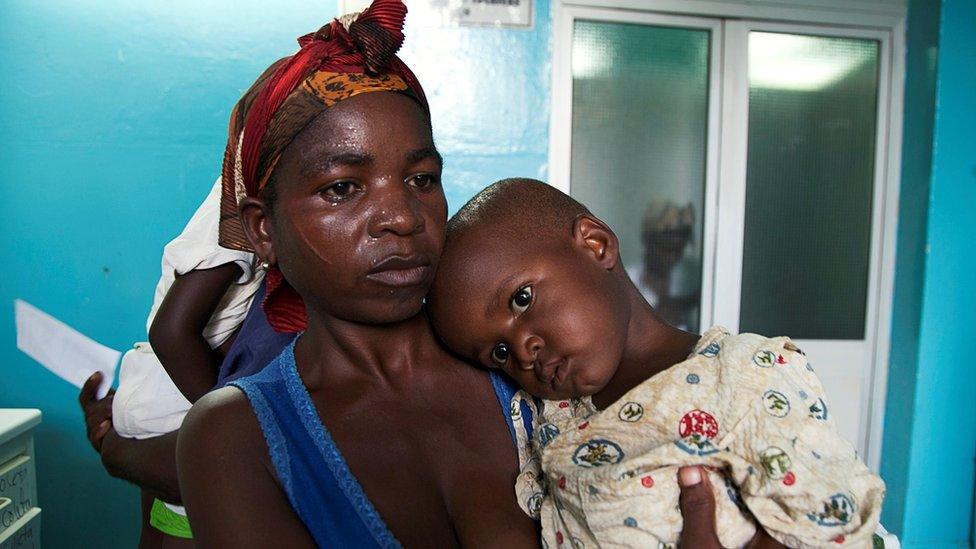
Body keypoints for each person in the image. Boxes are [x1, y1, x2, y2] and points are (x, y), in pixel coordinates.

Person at [80, 2, 788, 546]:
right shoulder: (236, 435)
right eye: (342, 187)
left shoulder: (530, 363)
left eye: (420, 177)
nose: (400, 216)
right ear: (264, 229)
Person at [426, 178, 887, 548]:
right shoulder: (550, 418)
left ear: (596, 244)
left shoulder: (742, 376)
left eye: (522, 298)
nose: (523, 351)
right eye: (500, 353)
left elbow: (834, 517)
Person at [109, 175, 264, 541]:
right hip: (172, 397)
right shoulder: (234, 226)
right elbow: (171, 332)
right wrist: (226, 423)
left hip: (155, 391)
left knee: (160, 525)